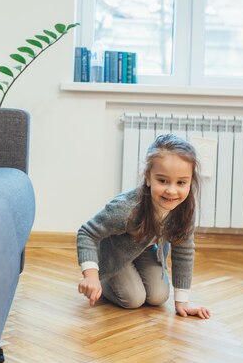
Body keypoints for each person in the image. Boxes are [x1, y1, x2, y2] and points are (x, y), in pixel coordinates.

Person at [77, 133, 210, 319]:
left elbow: (184, 251)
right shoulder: (126, 209)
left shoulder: (184, 209)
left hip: (144, 250)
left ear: (190, 181)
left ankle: (131, 275)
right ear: (148, 178)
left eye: (181, 182)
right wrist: (91, 275)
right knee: (133, 299)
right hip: (114, 253)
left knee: (158, 296)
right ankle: (105, 277)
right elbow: (86, 233)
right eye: (162, 181)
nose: (172, 190)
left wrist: (182, 302)